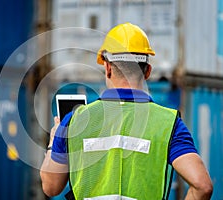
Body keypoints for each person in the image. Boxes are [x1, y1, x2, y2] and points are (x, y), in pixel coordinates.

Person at [40, 23, 213, 200]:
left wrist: (54, 140)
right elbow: (202, 186)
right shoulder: (169, 124)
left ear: (107, 68)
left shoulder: (74, 121)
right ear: (147, 72)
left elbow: (51, 186)